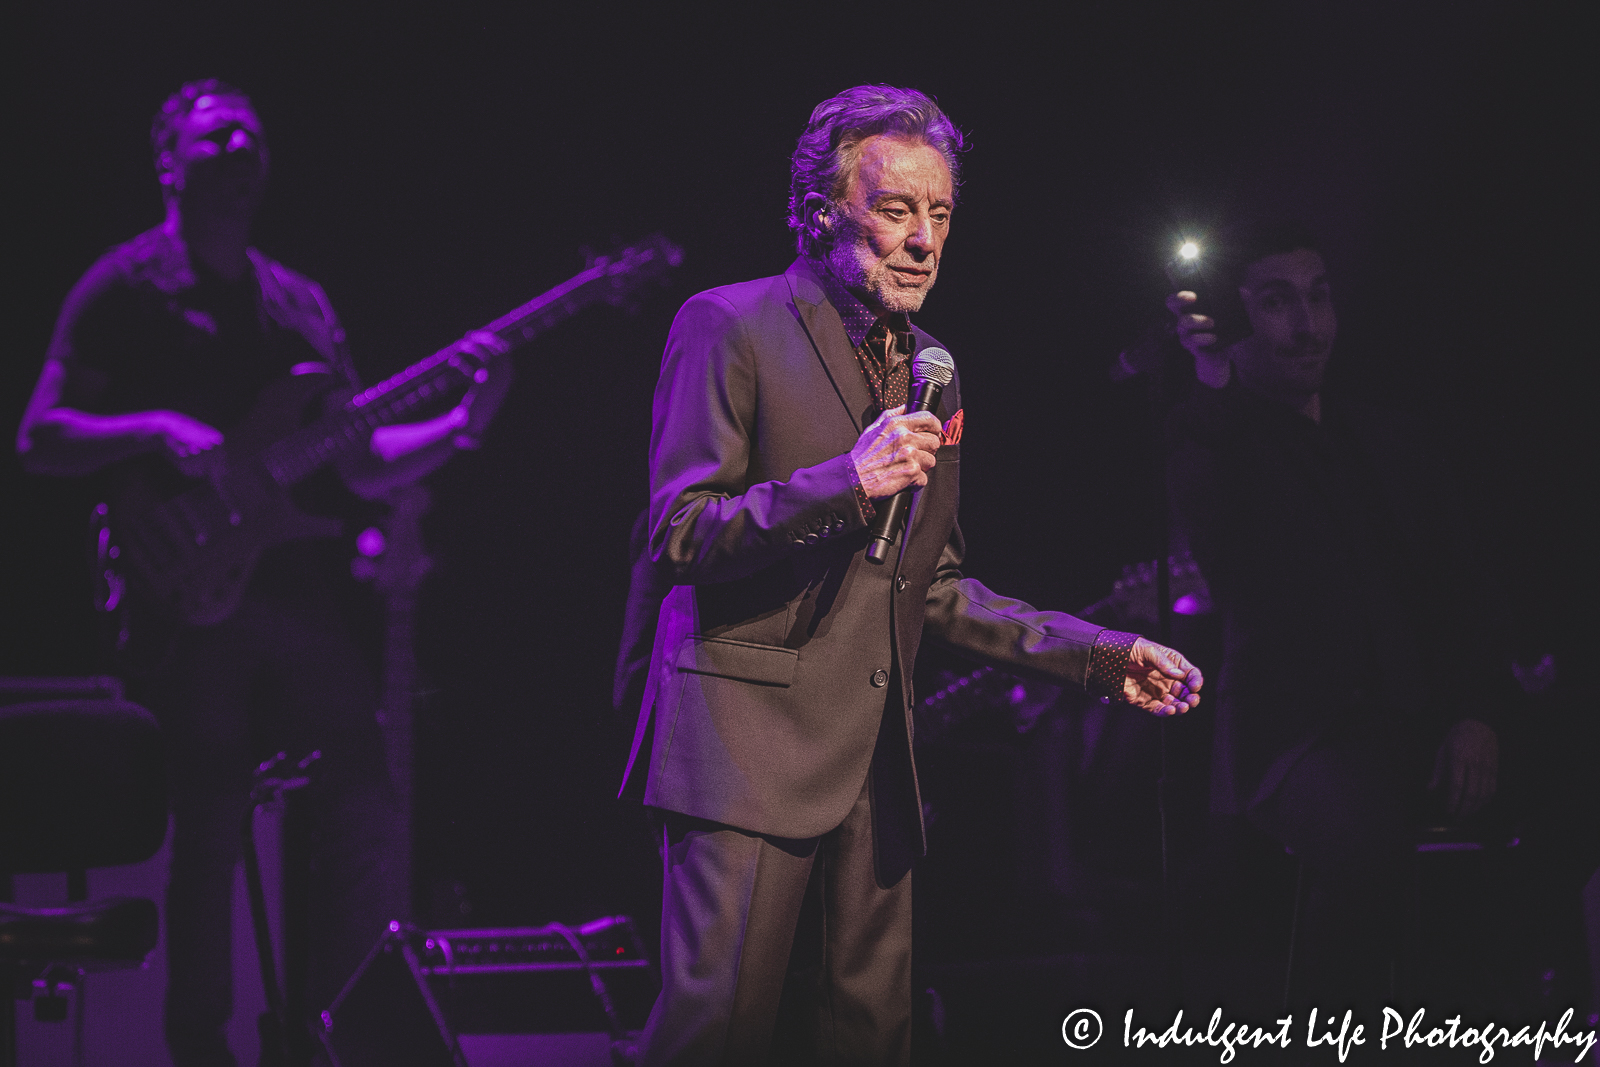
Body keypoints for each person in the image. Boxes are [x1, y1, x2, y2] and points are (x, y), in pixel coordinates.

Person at [621, 84, 1203, 1065]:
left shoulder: (932, 368)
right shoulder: (730, 324)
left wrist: (1101, 656)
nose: (924, 238)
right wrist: (839, 484)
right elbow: (678, 532)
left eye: (939, 214)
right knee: (709, 1038)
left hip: (875, 764)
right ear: (819, 212)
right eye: (895, 209)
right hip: (744, 751)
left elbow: (932, 585)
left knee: (870, 1039)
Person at [15, 80, 509, 1066]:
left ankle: (340, 1035)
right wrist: (152, 425)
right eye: (216, 130)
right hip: (187, 598)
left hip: (294, 589)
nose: (240, 140)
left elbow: (358, 459)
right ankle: (202, 1046)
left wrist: (458, 425)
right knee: (208, 821)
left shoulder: (299, 304)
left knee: (365, 797)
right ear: (169, 160)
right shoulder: (123, 287)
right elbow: (41, 435)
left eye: (252, 131)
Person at [1164, 221, 1503, 1005]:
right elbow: (1211, 509)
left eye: (1318, 298)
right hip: (1296, 740)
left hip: (1412, 719)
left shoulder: (1387, 439)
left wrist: (1478, 713)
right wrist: (1211, 373)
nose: (1307, 325)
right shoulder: (1214, 438)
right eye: (1278, 303)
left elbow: (1460, 591)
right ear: (1241, 315)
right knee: (1365, 841)